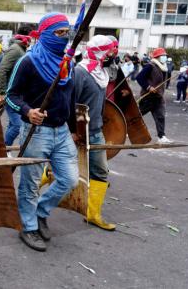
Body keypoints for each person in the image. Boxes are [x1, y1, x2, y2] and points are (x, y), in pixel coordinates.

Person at [6, 12, 78, 252]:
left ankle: (40, 212)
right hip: (36, 132)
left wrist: (75, 129)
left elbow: (71, 97)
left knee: (69, 179)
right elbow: (11, 96)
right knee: (30, 185)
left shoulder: (69, 62)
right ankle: (27, 227)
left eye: (66, 33)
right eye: (59, 33)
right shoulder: (28, 61)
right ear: (46, 34)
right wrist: (28, 112)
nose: (64, 38)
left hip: (62, 131)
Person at [73, 35, 117, 231]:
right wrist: (73, 131)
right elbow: (70, 103)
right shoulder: (80, 72)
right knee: (68, 170)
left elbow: (115, 75)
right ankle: (46, 177)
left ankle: (92, 214)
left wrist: (113, 59)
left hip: (96, 130)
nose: (111, 56)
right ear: (99, 52)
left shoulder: (101, 72)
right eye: (109, 53)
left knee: (99, 171)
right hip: (79, 131)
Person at [0, 34, 30, 149]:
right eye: (28, 39)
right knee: (17, 125)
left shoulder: (19, 49)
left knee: (12, 124)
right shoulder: (16, 49)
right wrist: (3, 92)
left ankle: (4, 150)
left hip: (17, 94)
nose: (29, 42)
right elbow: (2, 70)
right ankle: (5, 148)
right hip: (11, 94)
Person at [136, 48, 172, 143]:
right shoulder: (150, 66)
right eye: (163, 56)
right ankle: (126, 128)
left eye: (165, 56)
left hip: (158, 97)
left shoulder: (164, 67)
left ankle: (161, 136)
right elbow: (139, 77)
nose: (165, 57)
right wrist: (148, 87)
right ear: (157, 57)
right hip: (148, 97)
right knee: (137, 115)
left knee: (160, 116)